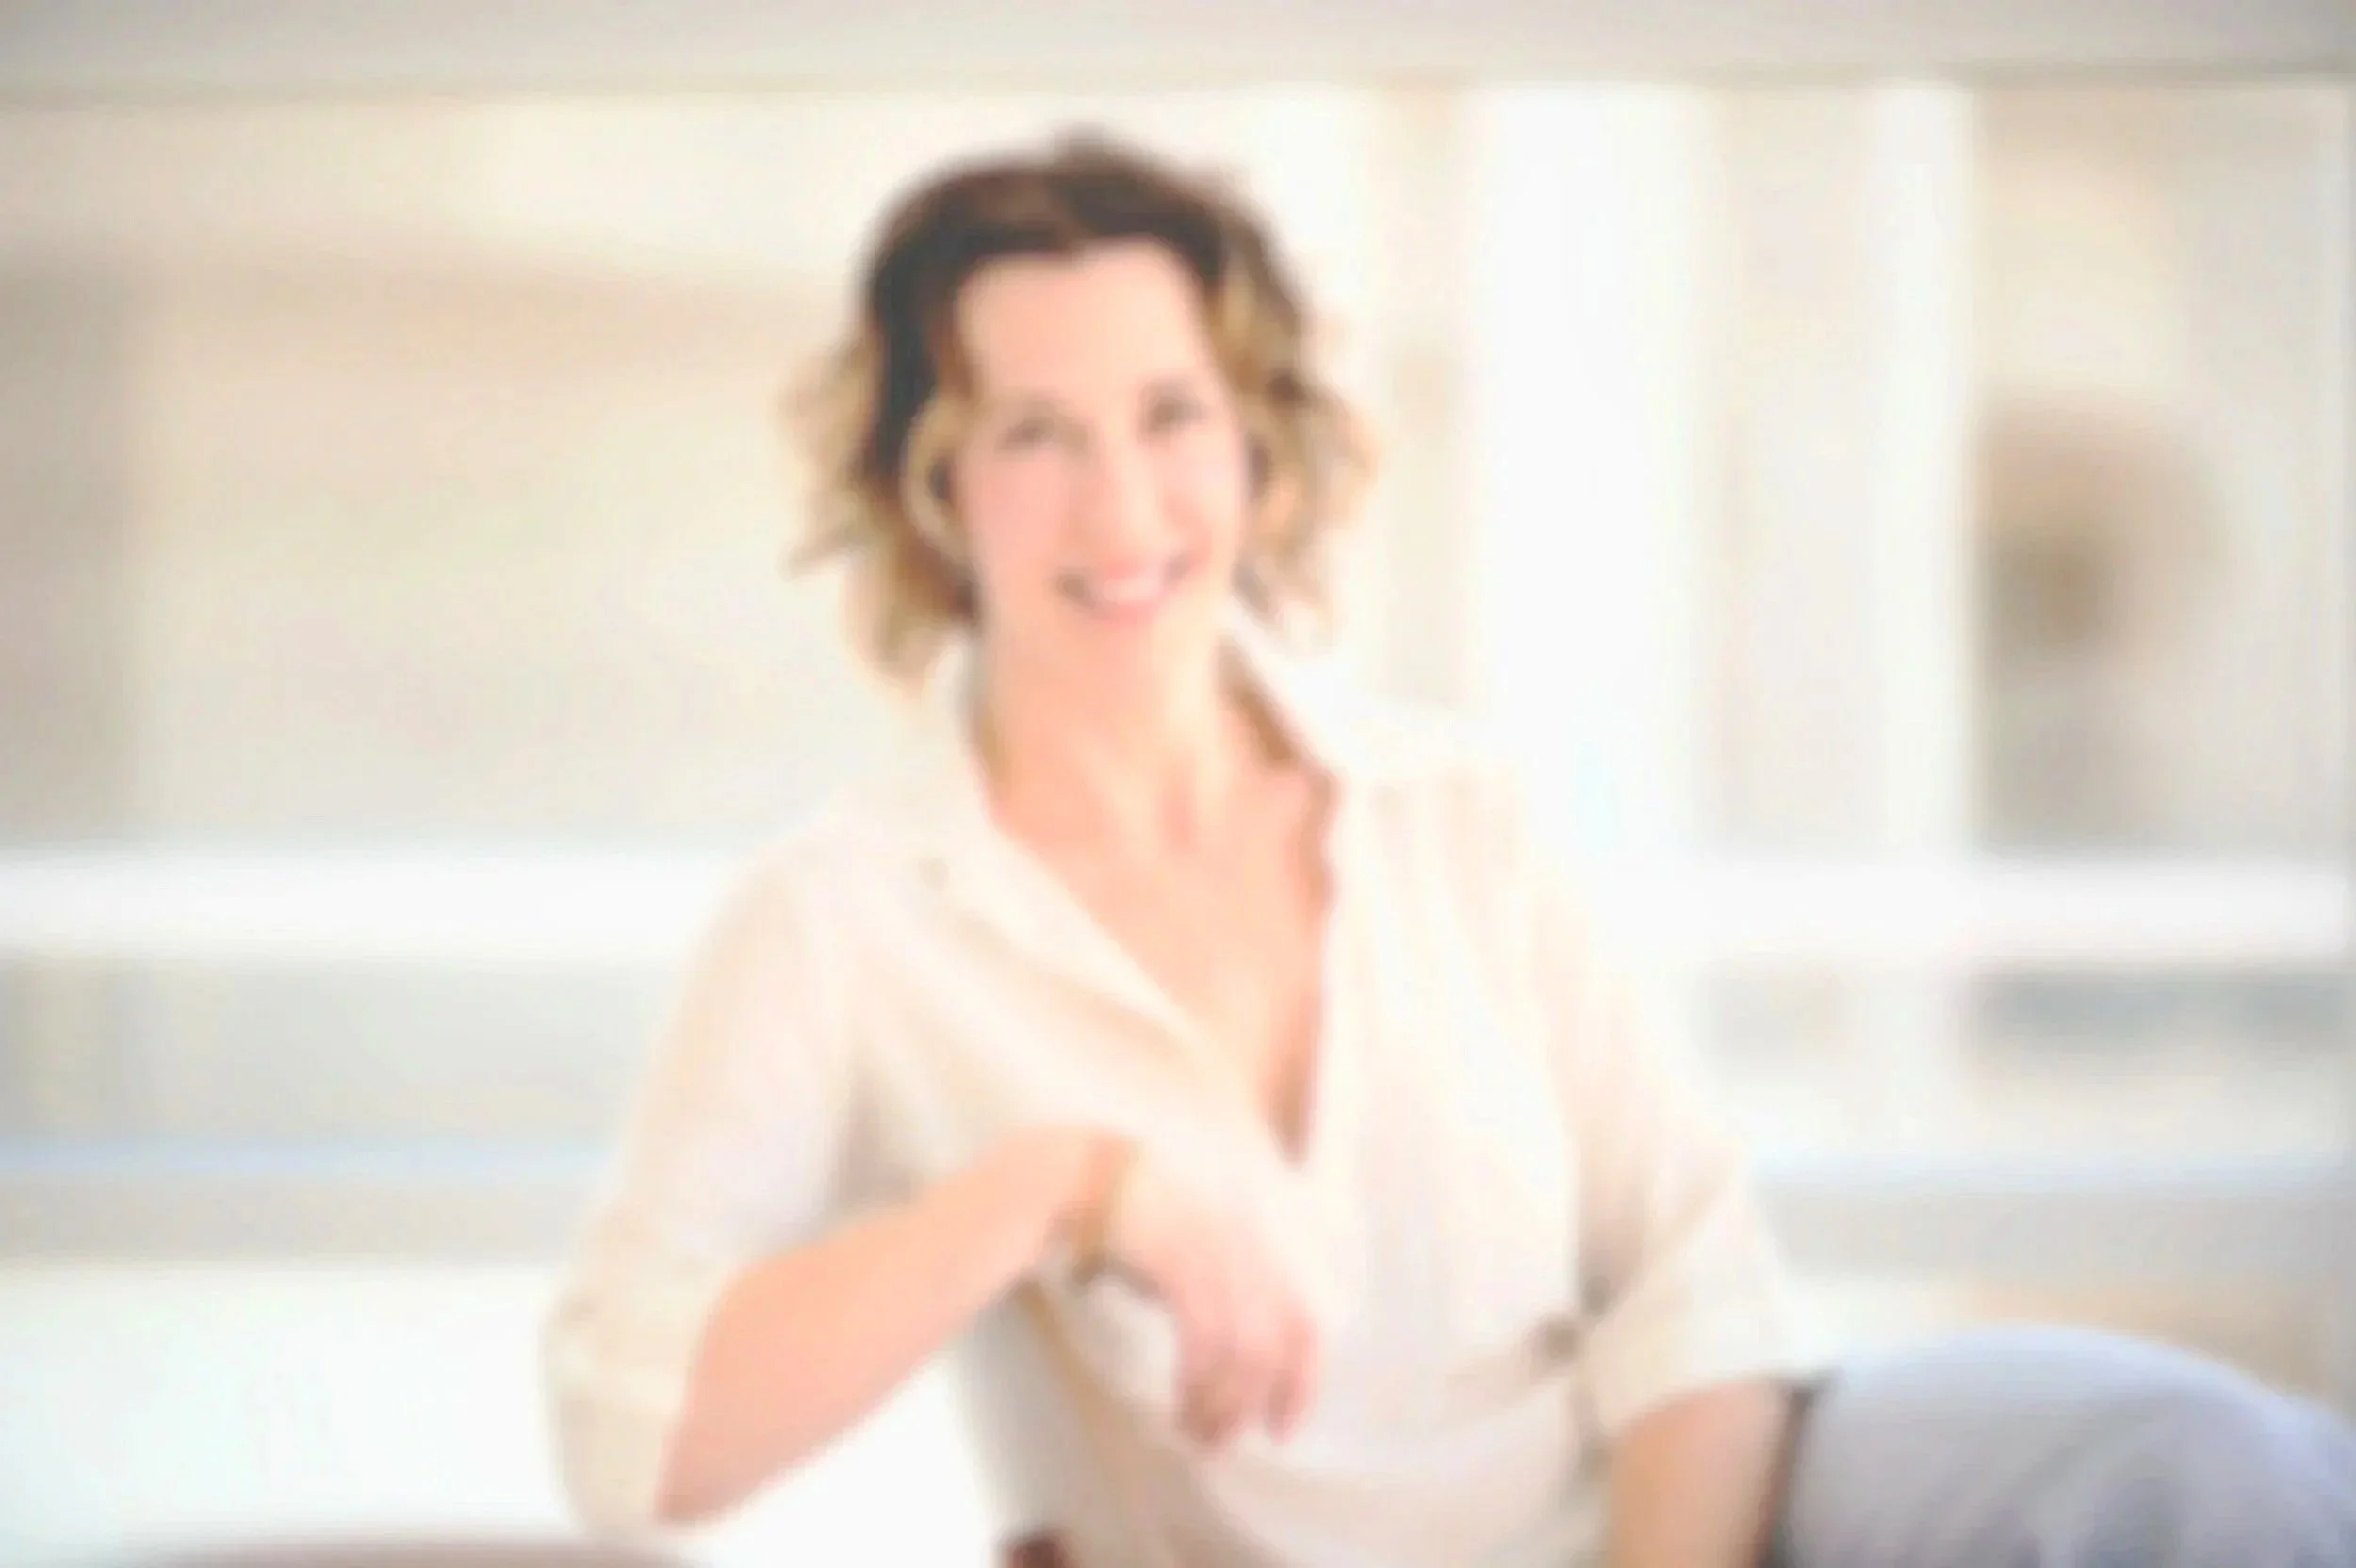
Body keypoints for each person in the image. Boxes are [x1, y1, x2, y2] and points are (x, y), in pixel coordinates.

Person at [542, 131, 2356, 1568]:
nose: (1125, 507)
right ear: (936, 490)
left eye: (1174, 416)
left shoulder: (1453, 815)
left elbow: (1688, 1281)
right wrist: (1056, 1187)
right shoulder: (847, 926)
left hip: (1716, 1514)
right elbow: (634, 1445)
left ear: (1255, 449)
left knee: (2209, 1474)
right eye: (1036, 435)